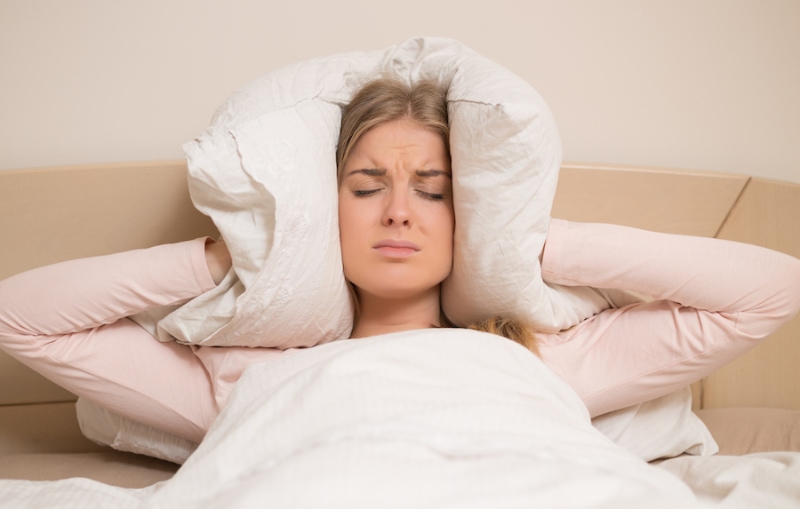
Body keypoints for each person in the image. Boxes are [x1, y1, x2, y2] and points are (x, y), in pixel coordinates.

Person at [1, 77, 799, 445]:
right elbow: (21, 319)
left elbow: (769, 290)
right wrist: (230, 259)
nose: (397, 212)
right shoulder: (242, 373)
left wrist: (530, 243)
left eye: (435, 190)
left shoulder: (540, 356)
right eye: (365, 185)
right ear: (325, 211)